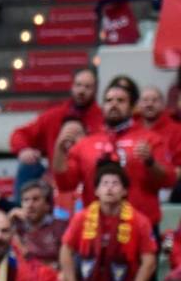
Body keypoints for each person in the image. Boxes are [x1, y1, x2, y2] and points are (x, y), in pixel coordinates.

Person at [54, 80, 174, 230]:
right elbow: (65, 184)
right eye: (109, 100)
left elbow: (169, 180)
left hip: (142, 228)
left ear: (132, 107)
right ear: (102, 107)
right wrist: (59, 149)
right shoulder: (85, 144)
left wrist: (150, 162)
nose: (114, 104)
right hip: (96, 228)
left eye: (121, 100)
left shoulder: (151, 140)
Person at [8, 67, 100, 200]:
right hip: (57, 181)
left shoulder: (103, 119)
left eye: (87, 87)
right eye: (78, 85)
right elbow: (19, 134)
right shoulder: (53, 116)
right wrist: (23, 150)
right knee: (26, 167)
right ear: (71, 87)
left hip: (90, 181)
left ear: (96, 90)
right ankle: (21, 215)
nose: (81, 91)